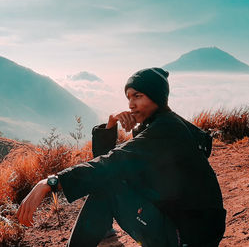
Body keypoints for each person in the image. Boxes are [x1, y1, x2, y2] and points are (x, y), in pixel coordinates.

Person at [17, 68, 226, 246]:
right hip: (185, 224)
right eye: (129, 97)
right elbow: (116, 166)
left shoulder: (166, 130)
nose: (131, 105)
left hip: (188, 234)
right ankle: (104, 229)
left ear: (157, 97)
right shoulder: (162, 125)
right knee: (108, 182)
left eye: (138, 96)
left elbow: (111, 165)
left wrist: (51, 182)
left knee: (106, 188)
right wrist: (110, 129)